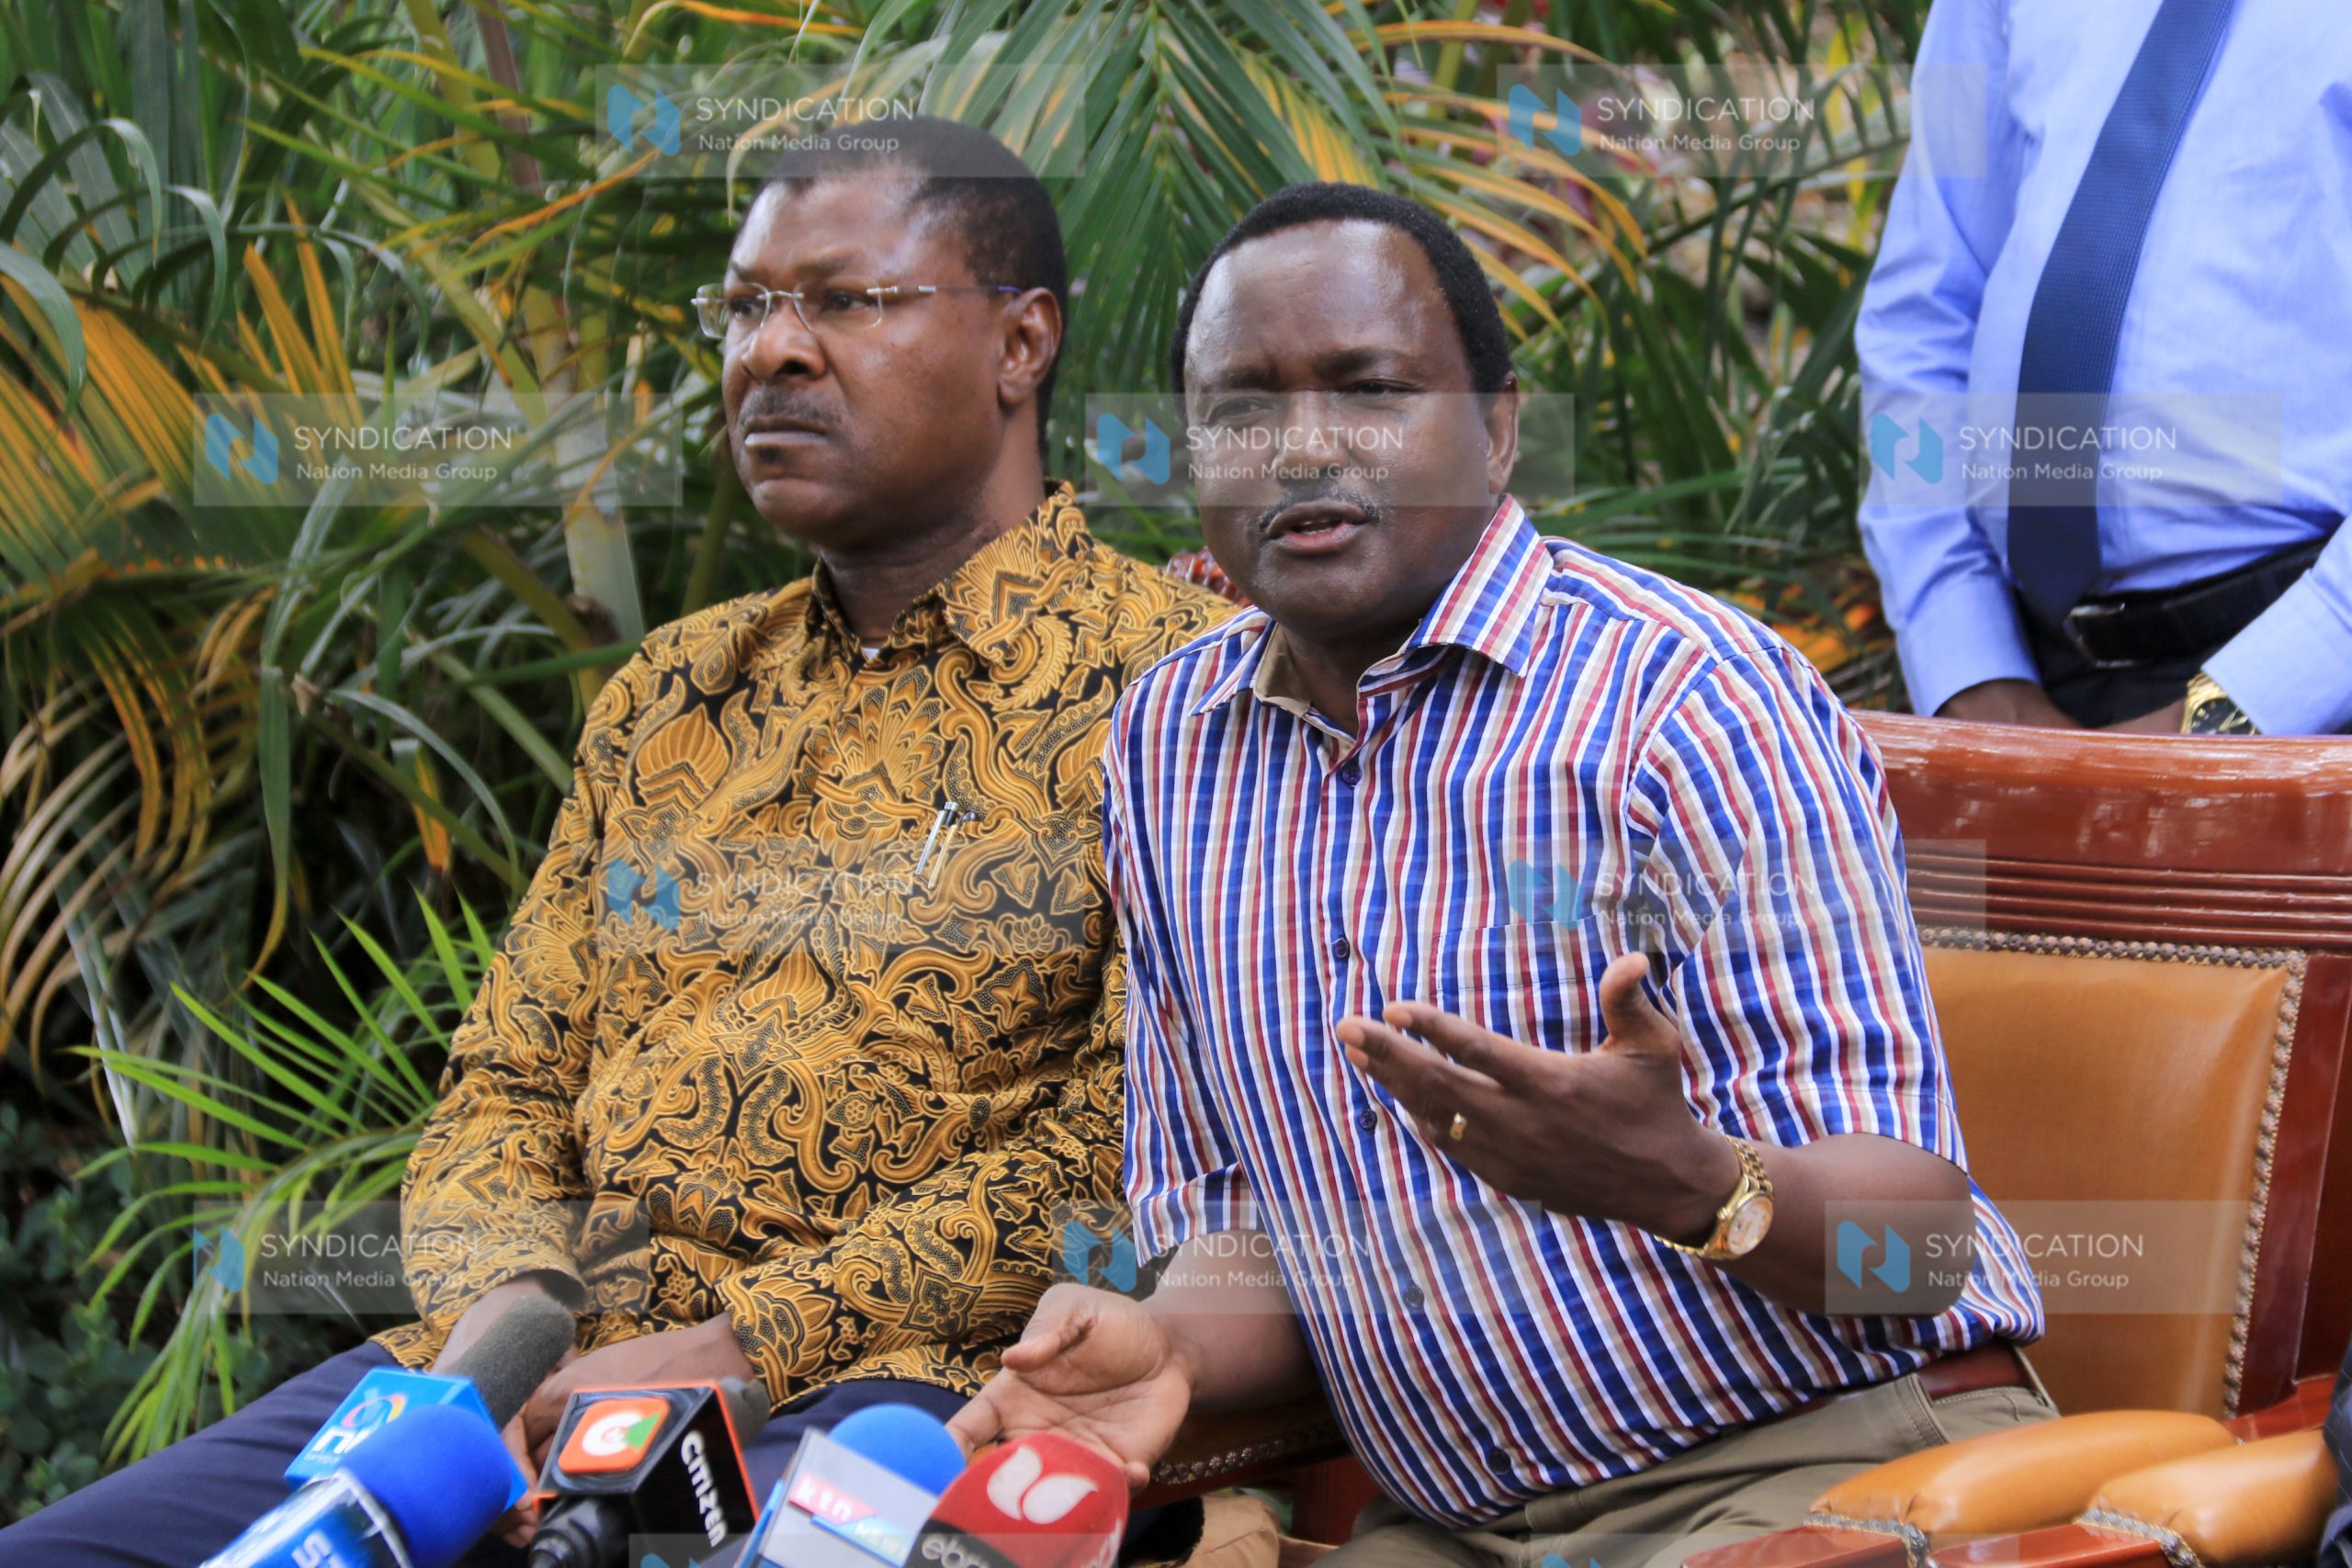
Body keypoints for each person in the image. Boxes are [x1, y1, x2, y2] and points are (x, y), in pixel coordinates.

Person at [0, 118, 1230, 1566]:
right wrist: (506, 1332)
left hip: (878, 1400)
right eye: (748, 305)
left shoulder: (1181, 685)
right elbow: (506, 1079)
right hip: (495, 1383)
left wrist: (737, 1342)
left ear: (1021, 344)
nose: (770, 350)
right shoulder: (670, 691)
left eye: (842, 300)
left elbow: (1118, 1153)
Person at [950, 185, 2051, 1568]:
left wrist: (1696, 1183)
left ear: (1501, 428)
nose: (1302, 447)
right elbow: (1236, 1227)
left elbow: (1926, 1249)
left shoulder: (1687, 698)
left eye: (1371, 388)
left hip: (1818, 1477)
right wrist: (1162, 1336)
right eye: (1241, 406)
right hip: (1462, 1526)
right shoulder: (1168, 749)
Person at [1857, 0, 2352, 734]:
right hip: (2012, 680)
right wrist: (1967, 659)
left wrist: (2238, 710)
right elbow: (1921, 312)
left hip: (2307, 687)